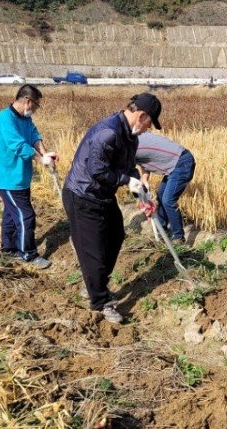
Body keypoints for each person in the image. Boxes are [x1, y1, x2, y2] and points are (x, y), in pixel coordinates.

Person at [62, 93, 161, 324]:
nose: (149, 129)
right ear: (141, 116)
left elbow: (127, 167)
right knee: (94, 250)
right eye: (149, 123)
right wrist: (127, 181)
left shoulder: (131, 137)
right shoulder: (108, 133)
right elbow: (98, 170)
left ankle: (94, 284)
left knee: (116, 235)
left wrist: (140, 186)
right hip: (82, 195)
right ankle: (101, 302)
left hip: (102, 195)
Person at [0, 84, 57, 269]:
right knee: (25, 216)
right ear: (28, 101)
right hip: (9, 179)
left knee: (11, 214)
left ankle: (8, 248)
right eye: (36, 106)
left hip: (21, 178)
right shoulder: (5, 117)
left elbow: (34, 136)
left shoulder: (25, 120)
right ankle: (28, 254)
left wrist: (45, 154)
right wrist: (39, 160)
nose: (35, 110)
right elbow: (18, 145)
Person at [136, 133, 196, 245]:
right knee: (161, 195)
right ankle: (162, 231)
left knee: (168, 200)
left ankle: (178, 237)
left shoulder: (131, 145)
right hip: (174, 166)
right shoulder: (134, 141)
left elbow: (127, 166)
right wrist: (144, 178)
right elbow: (143, 162)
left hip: (182, 163)